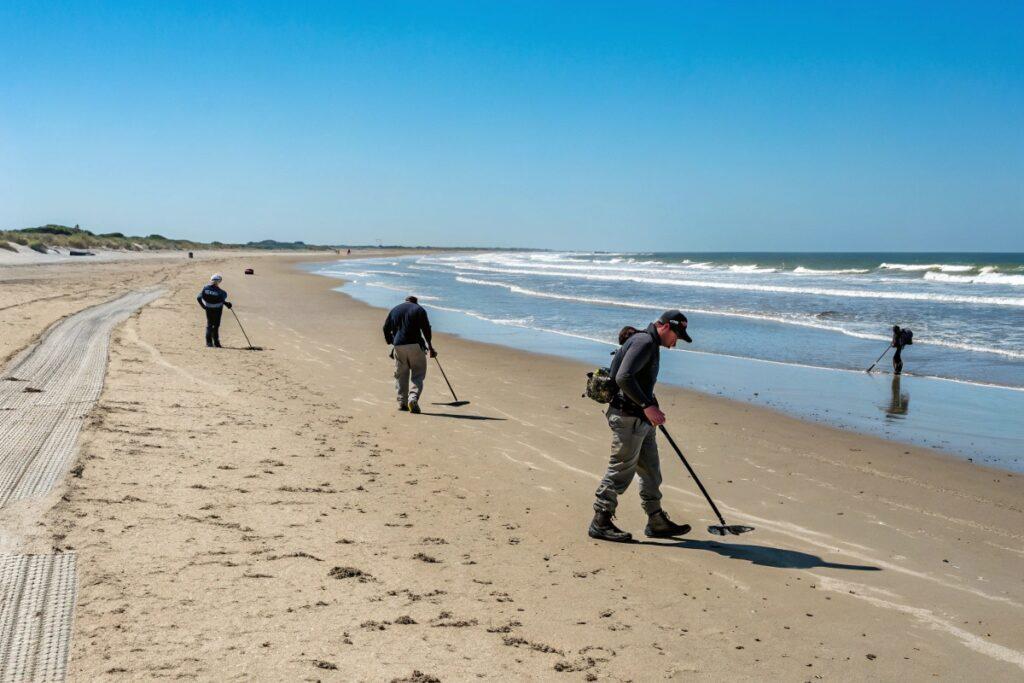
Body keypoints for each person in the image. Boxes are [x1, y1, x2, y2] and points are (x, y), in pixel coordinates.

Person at [590, 310, 694, 543]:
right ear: (666, 327)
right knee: (621, 469)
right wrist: (648, 405)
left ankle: (656, 520)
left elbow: (635, 379)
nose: (676, 343)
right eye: (676, 336)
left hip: (639, 418)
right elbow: (623, 377)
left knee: (651, 471)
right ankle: (600, 520)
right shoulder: (645, 342)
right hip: (628, 418)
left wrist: (651, 404)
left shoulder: (646, 342)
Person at [383, 295, 437, 413]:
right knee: (418, 374)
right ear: (416, 302)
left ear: (405, 301)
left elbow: (385, 328)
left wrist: (391, 342)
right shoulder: (419, 310)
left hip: (399, 346)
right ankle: (413, 398)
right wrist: (430, 347)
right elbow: (426, 329)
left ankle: (402, 402)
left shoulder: (395, 310)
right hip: (415, 345)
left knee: (401, 374)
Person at [197, 274, 232, 348]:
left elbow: (198, 298)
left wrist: (204, 306)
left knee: (209, 325)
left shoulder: (205, 288)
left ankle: (209, 343)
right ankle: (216, 343)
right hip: (218, 309)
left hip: (208, 308)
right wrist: (227, 304)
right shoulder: (222, 292)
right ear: (219, 282)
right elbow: (221, 299)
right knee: (216, 325)